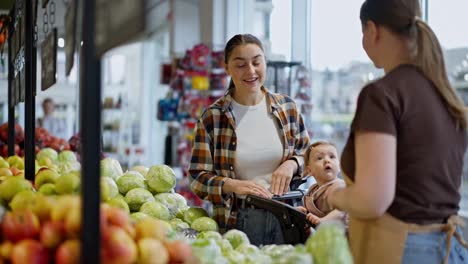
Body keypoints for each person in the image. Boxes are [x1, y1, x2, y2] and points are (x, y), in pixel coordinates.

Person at [328, 1, 468, 263]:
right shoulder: (444, 95)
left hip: (402, 250)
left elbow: (372, 200)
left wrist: (334, 194)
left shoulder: (381, 95)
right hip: (450, 249)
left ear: (372, 30)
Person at [188, 34, 310, 246]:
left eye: (256, 62)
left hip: (287, 217)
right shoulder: (213, 117)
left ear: (265, 62)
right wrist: (232, 185)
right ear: (227, 68)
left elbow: (309, 156)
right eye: (240, 65)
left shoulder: (287, 108)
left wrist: (292, 164)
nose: (251, 71)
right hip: (237, 220)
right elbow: (197, 178)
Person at [296, 141, 346, 226]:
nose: (327, 160)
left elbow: (342, 210)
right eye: (319, 158)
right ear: (310, 171)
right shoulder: (312, 191)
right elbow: (312, 212)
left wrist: (323, 220)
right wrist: (303, 212)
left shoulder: (339, 187)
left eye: (332, 157)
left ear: (339, 166)